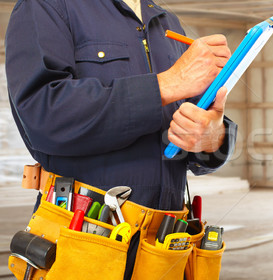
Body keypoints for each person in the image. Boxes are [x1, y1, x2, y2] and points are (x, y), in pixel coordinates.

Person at [5, 0, 237, 278]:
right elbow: (43, 116)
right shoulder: (47, 6)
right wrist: (168, 84)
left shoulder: (165, 21)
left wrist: (213, 137)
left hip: (164, 249)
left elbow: (196, 135)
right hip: (84, 242)